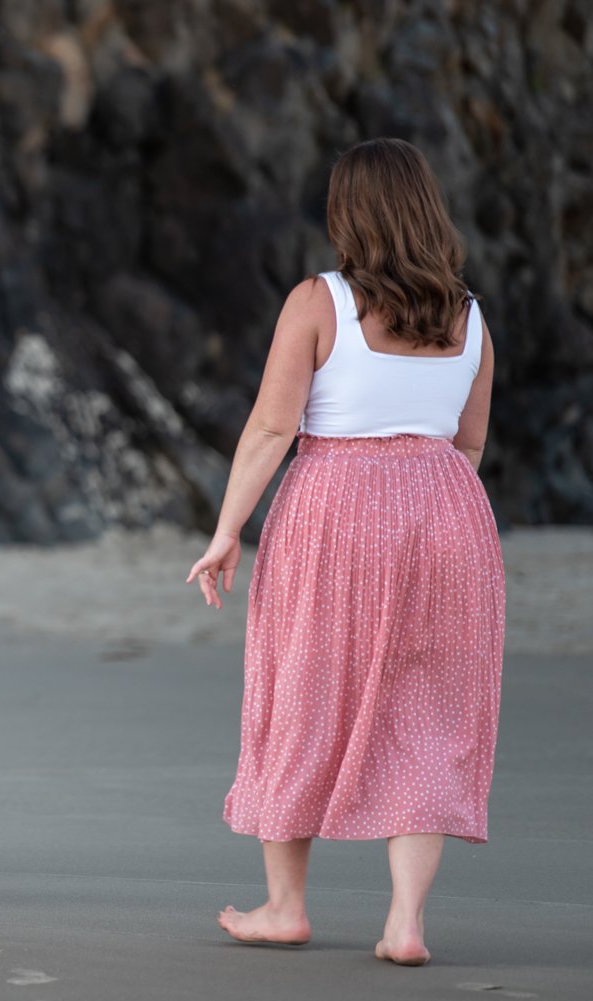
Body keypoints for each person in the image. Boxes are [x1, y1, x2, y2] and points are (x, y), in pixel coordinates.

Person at [185, 138, 503, 967]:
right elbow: (469, 444)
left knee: (302, 691)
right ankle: (405, 924)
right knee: (428, 712)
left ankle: (285, 906)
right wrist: (424, 503)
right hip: (448, 514)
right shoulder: (469, 316)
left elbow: (270, 427)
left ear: (348, 213)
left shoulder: (318, 301)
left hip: (336, 510)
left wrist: (226, 531)